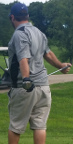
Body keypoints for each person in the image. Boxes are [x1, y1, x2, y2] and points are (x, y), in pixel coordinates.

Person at [7, 3, 71, 144]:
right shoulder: (39, 32)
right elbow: (47, 54)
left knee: (16, 126)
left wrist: (26, 79)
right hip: (43, 88)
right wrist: (61, 66)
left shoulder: (19, 33)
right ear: (27, 16)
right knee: (40, 126)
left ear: (12, 17)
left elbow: (24, 58)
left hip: (25, 86)